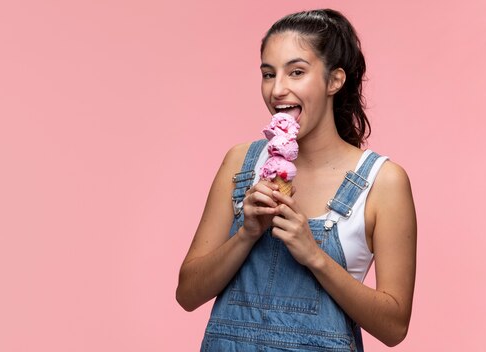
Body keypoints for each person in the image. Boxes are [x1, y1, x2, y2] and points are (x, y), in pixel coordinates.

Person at [176, 9, 416, 351]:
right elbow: (187, 294)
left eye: (297, 72)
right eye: (268, 74)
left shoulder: (382, 182)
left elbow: (394, 327)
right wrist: (247, 233)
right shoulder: (241, 163)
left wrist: (314, 255)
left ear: (334, 80)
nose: (277, 90)